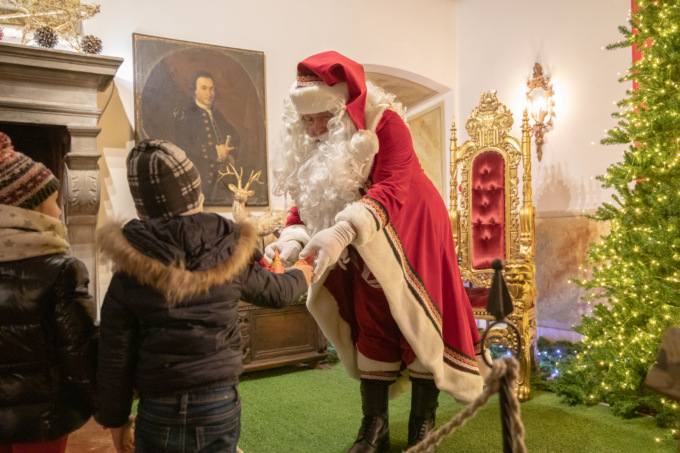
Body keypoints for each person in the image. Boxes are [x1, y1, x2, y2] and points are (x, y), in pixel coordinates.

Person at [266, 51, 487, 453]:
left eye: (321, 118)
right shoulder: (310, 140)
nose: (314, 129)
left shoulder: (385, 123)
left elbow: (393, 185)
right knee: (371, 315)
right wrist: (291, 238)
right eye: (306, 120)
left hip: (413, 228)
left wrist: (342, 230)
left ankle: (423, 424)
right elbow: (307, 198)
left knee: (417, 316)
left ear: (341, 109)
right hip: (358, 239)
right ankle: (375, 427)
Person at [95, 139, 312, 453]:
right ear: (197, 191)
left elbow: (114, 354)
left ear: (142, 207)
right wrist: (303, 272)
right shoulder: (227, 245)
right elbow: (277, 292)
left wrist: (116, 422)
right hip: (217, 402)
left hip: (158, 406)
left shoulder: (130, 262)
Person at [0, 132, 99, 453]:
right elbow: (79, 354)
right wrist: (108, 410)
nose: (58, 212)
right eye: (53, 201)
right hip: (42, 420)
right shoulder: (61, 269)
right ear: (29, 206)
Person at [174, 70, 241, 204]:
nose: (209, 93)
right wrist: (215, 152)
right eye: (204, 88)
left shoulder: (217, 115)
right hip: (201, 181)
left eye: (211, 89)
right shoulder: (187, 116)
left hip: (221, 182)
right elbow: (185, 148)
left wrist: (228, 151)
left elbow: (235, 137)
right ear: (194, 91)